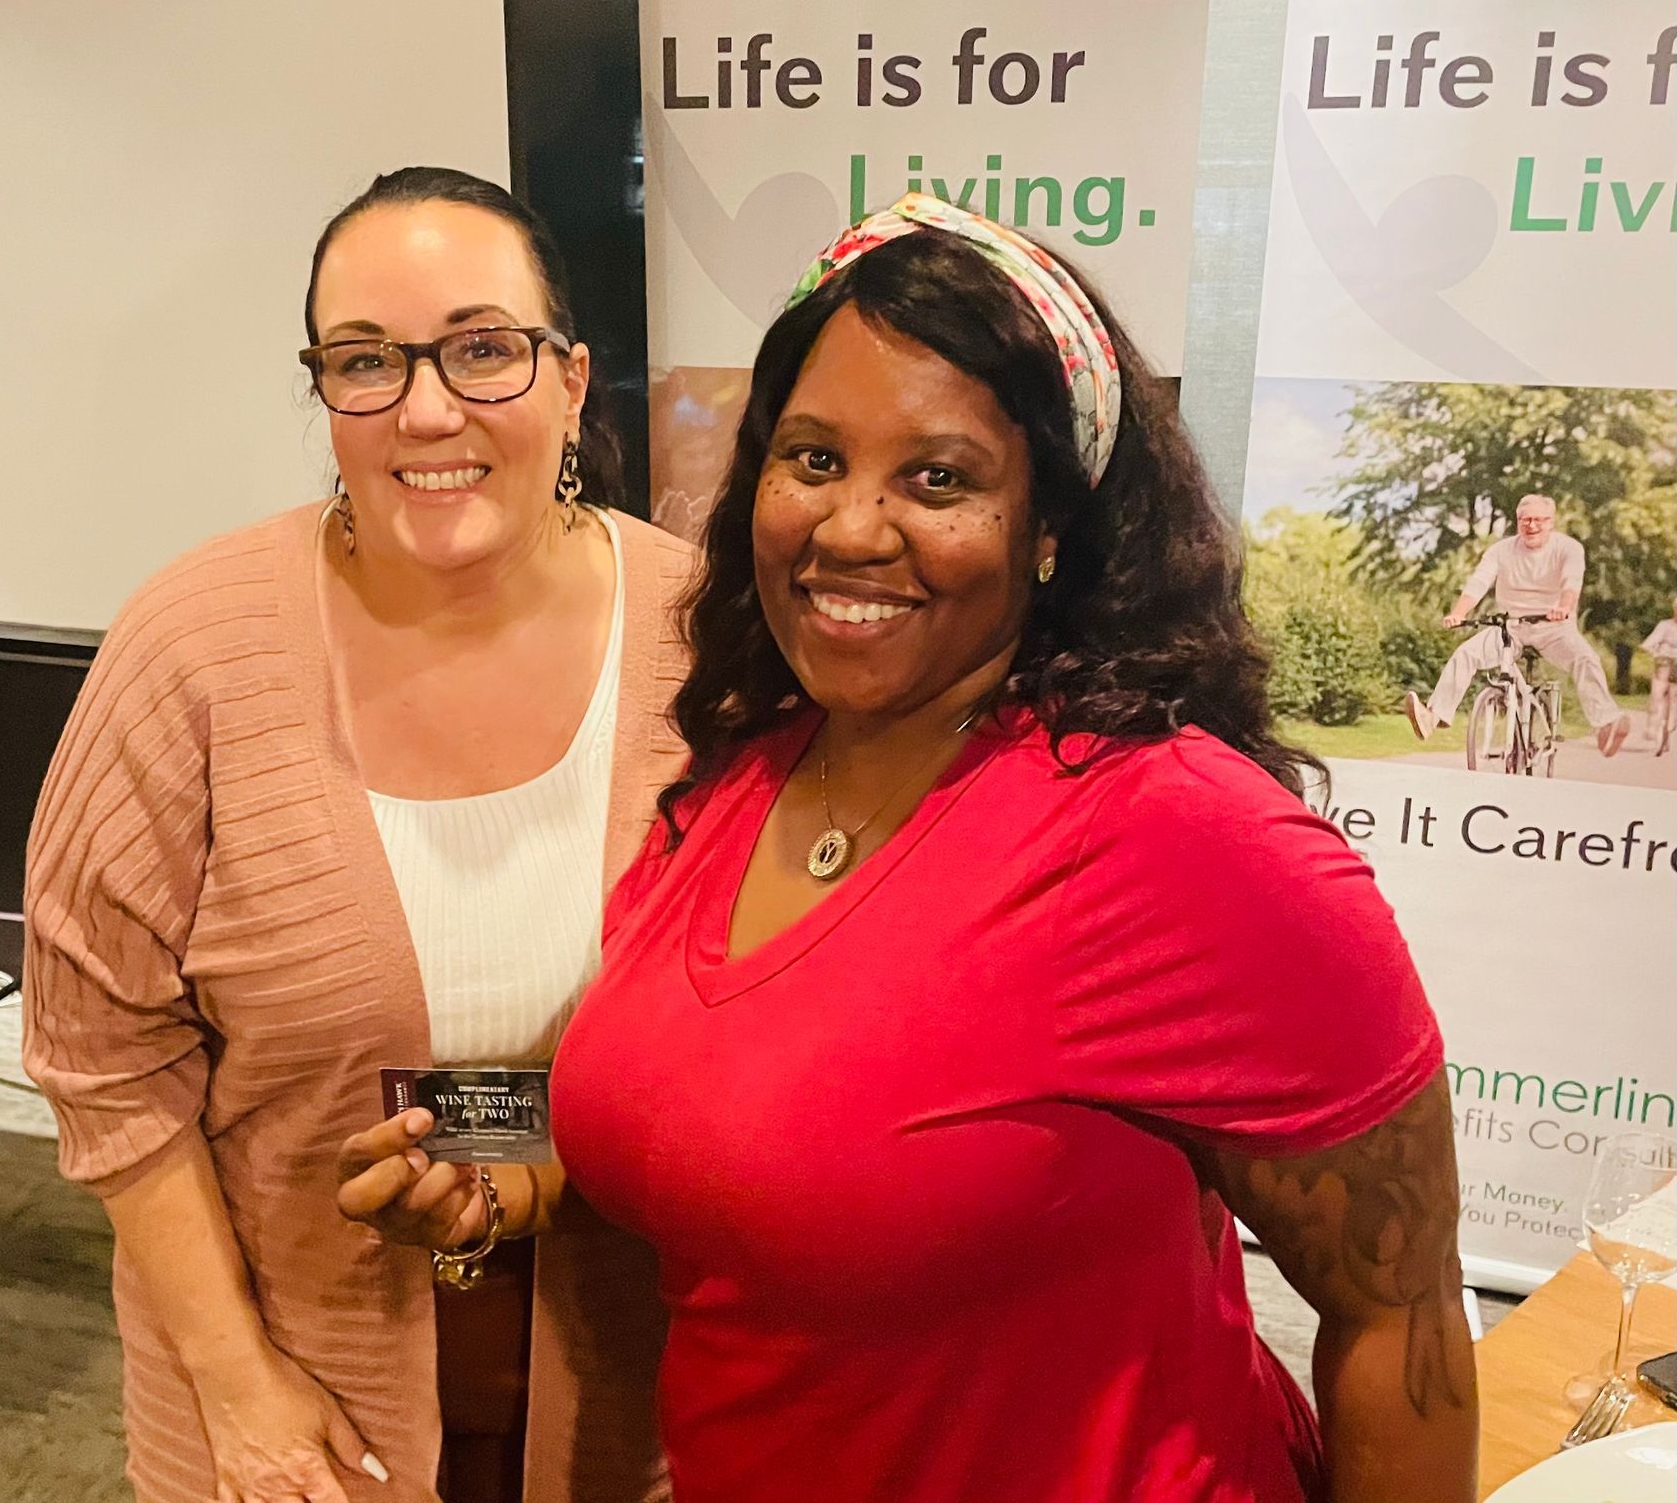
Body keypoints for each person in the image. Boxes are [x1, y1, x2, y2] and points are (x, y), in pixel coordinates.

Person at [541, 194, 1477, 1503]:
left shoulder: (1180, 836)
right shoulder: (741, 775)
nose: (852, 526)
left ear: (1051, 526)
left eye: (940, 477)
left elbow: (1402, 1312)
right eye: (812, 457)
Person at [24, 166, 691, 1503]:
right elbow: (102, 1056)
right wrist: (237, 1381)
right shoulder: (195, 646)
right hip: (300, 1398)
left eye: (483, 349)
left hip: (634, 1375)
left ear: (569, 381)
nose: (427, 406)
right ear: (324, 393)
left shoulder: (704, 635)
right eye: (367, 361)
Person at [1403, 494, 1631, 758]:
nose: (1531, 526)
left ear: (1551, 522)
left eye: (1538, 520)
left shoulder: (1569, 548)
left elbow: (1571, 582)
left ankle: (1606, 723)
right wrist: (1458, 613)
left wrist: (1564, 608)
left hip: (1554, 626)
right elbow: (1478, 583)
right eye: (1525, 520)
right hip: (1510, 626)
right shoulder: (1501, 550)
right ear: (1517, 522)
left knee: (1586, 659)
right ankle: (1433, 716)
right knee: (1466, 653)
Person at [1644, 596, 1677, 758]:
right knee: (1657, 693)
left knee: (1674, 698)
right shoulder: (1665, 626)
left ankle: (1670, 723)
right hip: (1664, 663)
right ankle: (1654, 723)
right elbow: (1650, 642)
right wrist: (1651, 649)